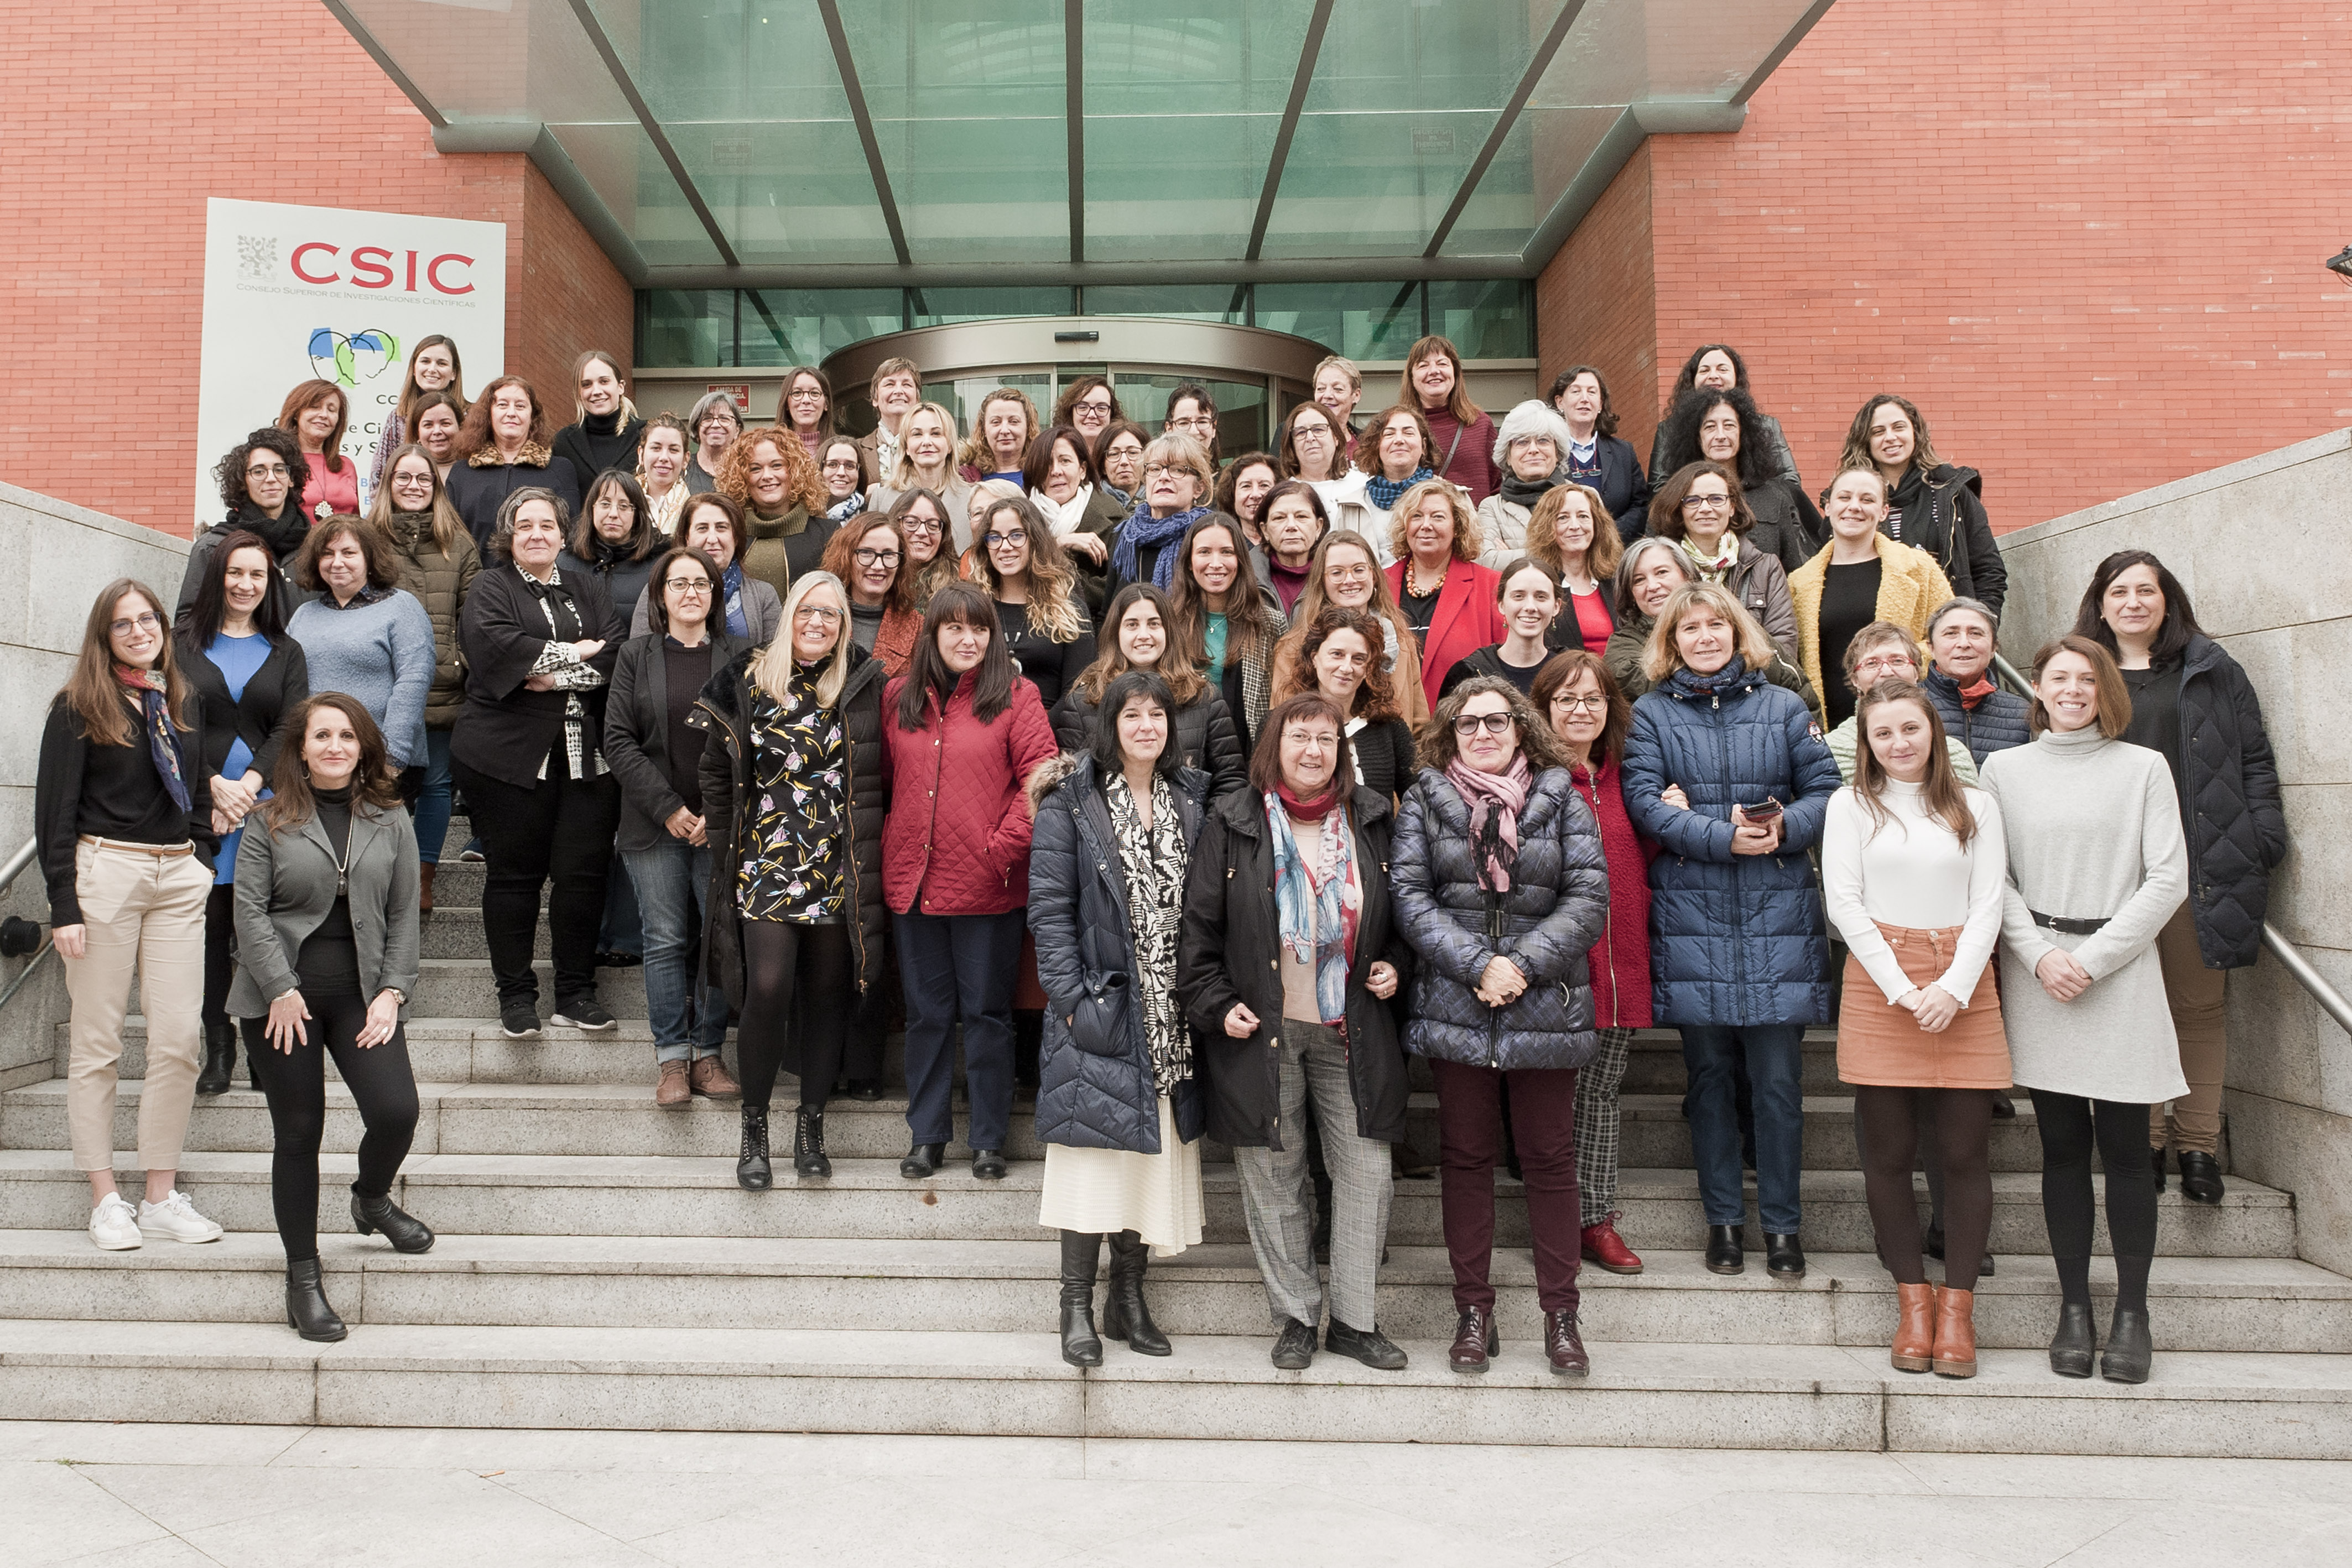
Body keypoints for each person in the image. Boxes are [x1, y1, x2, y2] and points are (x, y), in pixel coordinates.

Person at [1178, 694, 1412, 1371]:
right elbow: (1199, 933)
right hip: (1263, 1030)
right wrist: (1217, 1005)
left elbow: (1403, 920)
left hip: (1352, 1029)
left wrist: (1396, 966)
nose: (1313, 751)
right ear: (1273, 746)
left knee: (1367, 1175)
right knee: (1274, 1178)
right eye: (1299, 737)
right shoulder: (1234, 819)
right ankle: (1295, 1317)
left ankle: (1355, 1321)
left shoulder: (1371, 818)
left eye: (1326, 739)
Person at [1981, 635, 2190, 1384]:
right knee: (2063, 1148)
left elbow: (2168, 878)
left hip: (2121, 974)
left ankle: (2133, 1310)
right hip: (2041, 973)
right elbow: (1992, 876)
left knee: (2129, 1149)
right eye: (2059, 677)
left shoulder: (2143, 768)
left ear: (2106, 688)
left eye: (2086, 677)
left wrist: (2094, 958)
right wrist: (2039, 955)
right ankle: (2075, 1306)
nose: (2072, 689)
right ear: (2037, 687)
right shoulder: (2004, 768)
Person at [1622, 581, 1840, 1279]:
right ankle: (1724, 1221)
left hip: (1778, 913)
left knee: (1777, 1084)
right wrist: (1720, 837)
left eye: (1716, 624)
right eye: (1690, 629)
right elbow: (1642, 804)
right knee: (1709, 1077)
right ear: (1671, 641)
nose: (1706, 637)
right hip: (1694, 917)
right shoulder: (1651, 715)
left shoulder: (1784, 706)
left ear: (1737, 630)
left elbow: (1827, 792)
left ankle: (1782, 1226)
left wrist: (1780, 832)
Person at [1394, 676, 1608, 1375]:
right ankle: (1473, 1309)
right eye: (1467, 725)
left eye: (1496, 722)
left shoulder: (1561, 798)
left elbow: (1587, 896)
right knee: (1465, 1158)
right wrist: (1478, 966)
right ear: (1448, 735)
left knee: (1548, 1162)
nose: (1482, 734)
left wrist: (1518, 965)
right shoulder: (1426, 801)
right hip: (1458, 1005)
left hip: (1543, 1004)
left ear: (1522, 728)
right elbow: (1409, 896)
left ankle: (1561, 1316)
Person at [2073, 551, 2286, 1205]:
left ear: (2167, 601)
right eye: (2119, 591)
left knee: (2196, 1011)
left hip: (2200, 868)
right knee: (2130, 1011)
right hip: (2115, 876)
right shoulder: (2080, 673)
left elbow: (2252, 756)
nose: (2133, 601)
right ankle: (2145, 1142)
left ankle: (2197, 1148)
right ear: (2100, 603)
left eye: (2147, 590)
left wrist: (2261, 835)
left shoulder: (2211, 670)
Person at [230, 694, 430, 1341]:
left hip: (360, 993)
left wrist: (392, 991)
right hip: (279, 999)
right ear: (303, 747)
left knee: (397, 1111)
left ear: (363, 747)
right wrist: (281, 988)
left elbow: (404, 913)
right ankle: (304, 1278)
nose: (336, 746)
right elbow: (250, 912)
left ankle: (370, 1200)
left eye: (347, 736)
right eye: (323, 736)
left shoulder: (392, 818)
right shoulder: (268, 819)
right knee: (299, 1133)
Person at [1824, 680, 2010, 1378]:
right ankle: (1913, 1305)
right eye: (1882, 734)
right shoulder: (1851, 805)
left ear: (1933, 732)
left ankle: (1958, 1312)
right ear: (1866, 744)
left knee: (1963, 1154)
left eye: (1910, 729)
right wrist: (1903, 990)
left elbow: (1989, 902)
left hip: (1964, 979)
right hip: (1881, 984)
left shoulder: (1977, 806)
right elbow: (1843, 901)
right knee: (1889, 1154)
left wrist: (1955, 987)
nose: (1898, 743)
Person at [1029, 671, 1212, 1364]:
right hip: (1102, 1003)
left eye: (1156, 715)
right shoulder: (1070, 803)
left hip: (1170, 1010)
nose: (1145, 726)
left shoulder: (1190, 800)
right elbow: (1048, 912)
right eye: (1130, 715)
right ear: (1109, 725)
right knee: (1091, 1166)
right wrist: (1072, 1003)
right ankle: (1074, 1305)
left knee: (1145, 1158)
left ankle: (1127, 1297)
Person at [38, 580, 222, 1252]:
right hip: (105, 874)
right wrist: (64, 905)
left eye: (148, 618)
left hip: (176, 875)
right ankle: (106, 1198)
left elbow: (199, 787)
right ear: (104, 636)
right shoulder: (78, 706)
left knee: (178, 1041)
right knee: (98, 1044)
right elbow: (54, 811)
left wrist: (201, 853)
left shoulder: (179, 700)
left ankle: (160, 1195)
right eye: (124, 624)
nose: (141, 630)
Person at [697, 572, 888, 1186]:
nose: (818, 624)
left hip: (837, 862)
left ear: (842, 624)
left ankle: (811, 1124)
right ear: (790, 616)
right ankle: (754, 1127)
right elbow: (715, 774)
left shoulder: (861, 682)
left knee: (827, 996)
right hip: (767, 861)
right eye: (808, 611)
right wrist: (726, 846)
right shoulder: (749, 680)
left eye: (831, 615)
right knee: (771, 986)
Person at [881, 585, 1058, 1180]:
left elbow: (1043, 782)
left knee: (985, 1014)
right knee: (928, 1016)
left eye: (978, 628)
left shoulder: (1016, 695)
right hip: (914, 883)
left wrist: (998, 850)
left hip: (988, 886)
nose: (967, 639)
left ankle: (988, 1140)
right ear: (931, 635)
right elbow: (881, 782)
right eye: (953, 628)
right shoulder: (898, 698)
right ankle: (926, 1136)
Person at [451, 488, 626, 1038]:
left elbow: (619, 653)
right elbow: (498, 648)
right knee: (514, 879)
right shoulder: (490, 587)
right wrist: (581, 652)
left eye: (546, 525)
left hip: (585, 760)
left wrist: (554, 674)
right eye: (524, 526)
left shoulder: (587, 587)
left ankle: (575, 993)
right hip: (506, 759)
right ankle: (516, 997)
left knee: (582, 879)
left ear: (562, 533)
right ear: (509, 535)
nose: (536, 535)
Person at [600, 546, 745, 1107]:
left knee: (715, 941)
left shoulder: (739, 656)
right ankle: (672, 1062)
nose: (690, 592)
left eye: (701, 583)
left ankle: (709, 1054)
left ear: (715, 595)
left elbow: (749, 743)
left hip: (718, 824)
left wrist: (717, 811)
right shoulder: (635, 656)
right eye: (678, 583)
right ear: (660, 595)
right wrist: (668, 808)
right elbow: (617, 739)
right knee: (664, 941)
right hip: (652, 823)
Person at [1533, 649, 1652, 1275]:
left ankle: (1596, 1219)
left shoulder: (1631, 776)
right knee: (1550, 1100)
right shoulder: (1532, 780)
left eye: (1593, 699)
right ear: (1544, 710)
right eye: (1566, 700)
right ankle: (1552, 1215)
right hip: (1555, 971)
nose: (1581, 710)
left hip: (1621, 963)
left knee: (1601, 1094)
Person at [178, 534, 309, 1096]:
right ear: (217, 576)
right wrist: (214, 789)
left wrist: (249, 785)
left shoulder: (286, 650)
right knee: (210, 933)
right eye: (236, 573)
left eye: (257, 575)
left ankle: (262, 1046)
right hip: (200, 812)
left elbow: (290, 727)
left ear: (270, 583)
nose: (246, 585)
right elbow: (173, 722)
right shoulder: (182, 643)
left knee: (260, 930)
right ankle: (218, 1045)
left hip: (264, 811)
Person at [372, 445, 480, 914]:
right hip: (380, 686)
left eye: (423, 479)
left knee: (437, 784)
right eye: (403, 477)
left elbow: (472, 614)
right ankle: (381, 876)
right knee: (381, 782)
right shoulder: (367, 538)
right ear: (388, 483)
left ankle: (422, 878)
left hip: (441, 684)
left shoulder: (457, 542)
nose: (414, 486)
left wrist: (460, 660)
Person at [1789, 468, 1955, 728]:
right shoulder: (1799, 582)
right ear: (1828, 507)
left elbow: (1947, 638)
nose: (1855, 507)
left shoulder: (1919, 568)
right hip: (1829, 726)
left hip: (1905, 720)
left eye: (1867, 500)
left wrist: (1898, 664)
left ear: (1883, 512)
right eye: (1845, 498)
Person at [1051, 583, 1243, 791]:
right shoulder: (1084, 700)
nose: (1144, 634)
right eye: (1132, 625)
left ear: (1168, 630)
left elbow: (1230, 782)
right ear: (1115, 632)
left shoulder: (1204, 697)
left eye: (1154, 624)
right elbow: (1071, 786)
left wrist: (1204, 824)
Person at [285, 517, 435, 783]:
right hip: (320, 762)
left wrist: (391, 758)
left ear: (369, 558)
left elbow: (414, 681)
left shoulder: (402, 608)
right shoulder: (303, 615)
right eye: (327, 554)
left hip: (381, 763)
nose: (337, 562)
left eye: (349, 553)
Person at [1604, 535, 1818, 720]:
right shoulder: (1623, 647)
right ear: (1630, 593)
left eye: (1661, 572)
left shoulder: (1736, 624)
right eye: (1638, 580)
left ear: (1686, 575)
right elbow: (1654, 692)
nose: (1652, 586)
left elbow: (1798, 691)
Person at [1839, 394, 2006, 619]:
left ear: (1915, 431)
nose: (1890, 438)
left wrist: (1980, 625)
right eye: (1878, 432)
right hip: (1876, 636)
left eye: (1899, 427)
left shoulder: (1953, 491)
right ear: (1865, 441)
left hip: (1949, 632)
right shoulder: (1850, 501)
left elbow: (1988, 570)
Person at [1270, 528, 1432, 731]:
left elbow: (1420, 728)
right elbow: (1283, 728)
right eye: (1337, 573)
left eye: (1359, 570)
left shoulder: (1402, 642)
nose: (1350, 580)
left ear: (1374, 576)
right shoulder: (1293, 648)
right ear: (1322, 581)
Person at [1651, 387, 1822, 576]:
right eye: (1709, 427)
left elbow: (1793, 570)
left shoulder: (1774, 497)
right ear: (1697, 438)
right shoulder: (1671, 498)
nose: (1721, 435)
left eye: (1729, 426)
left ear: (1743, 433)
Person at [1271, 606, 1418, 802]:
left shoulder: (1391, 728)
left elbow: (1418, 801)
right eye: (1337, 654)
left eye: (1358, 659)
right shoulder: (1279, 723)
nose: (1347, 668)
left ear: (1368, 668)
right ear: (1315, 657)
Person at [1649, 460, 1798, 653]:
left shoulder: (1766, 568)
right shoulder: (1662, 570)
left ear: (1732, 507)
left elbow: (1783, 644)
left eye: (1716, 499)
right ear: (1680, 509)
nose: (1705, 508)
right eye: (1693, 500)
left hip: (1752, 681)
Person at [1168, 512, 1285, 756]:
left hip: (1248, 755)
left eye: (1226, 552)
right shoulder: (1168, 621)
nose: (1216, 563)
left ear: (1241, 560)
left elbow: (1280, 702)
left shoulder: (1269, 623)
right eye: (1204, 552)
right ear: (1189, 562)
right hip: (1181, 752)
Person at [1385, 478, 1505, 707]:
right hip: (1390, 725)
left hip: (1461, 726)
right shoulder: (1378, 583)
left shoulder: (1491, 587)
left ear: (1457, 526)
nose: (1426, 525)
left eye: (1438, 517)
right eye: (1416, 516)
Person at [975, 493, 1095, 713]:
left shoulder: (1069, 608)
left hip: (1051, 734)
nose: (1005, 546)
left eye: (1017, 535)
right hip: (986, 732)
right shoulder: (975, 607)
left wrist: (1036, 734)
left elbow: (1078, 691)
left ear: (1036, 540)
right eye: (994, 537)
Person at [183, 427, 311, 623]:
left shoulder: (316, 547)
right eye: (259, 471)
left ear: (291, 479)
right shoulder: (213, 547)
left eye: (279, 469)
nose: (271, 478)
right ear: (243, 482)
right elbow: (189, 623)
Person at [1825, 624, 1979, 785]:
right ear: (1855, 680)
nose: (1886, 672)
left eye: (1898, 661)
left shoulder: (1953, 754)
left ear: (1917, 673)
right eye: (1872, 664)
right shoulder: (1832, 750)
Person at [445, 375, 582, 548]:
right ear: (489, 414)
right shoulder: (462, 473)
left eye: (520, 406)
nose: (512, 413)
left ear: (532, 416)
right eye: (502, 405)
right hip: (475, 573)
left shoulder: (560, 470)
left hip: (539, 573)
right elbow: (449, 536)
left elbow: (571, 535)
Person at [1646, 343, 1802, 492]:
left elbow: (1789, 481)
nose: (1713, 376)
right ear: (1693, 380)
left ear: (1736, 378)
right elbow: (1659, 487)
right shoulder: (1669, 429)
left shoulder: (1766, 425)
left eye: (1722, 369)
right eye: (1704, 370)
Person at [633, 492, 784, 646]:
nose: (712, 539)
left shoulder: (764, 595)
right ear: (687, 537)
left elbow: (774, 659)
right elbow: (639, 654)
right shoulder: (659, 590)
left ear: (736, 537)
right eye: (702, 528)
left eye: (721, 528)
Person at [716, 424, 835, 608]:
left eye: (777, 465)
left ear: (795, 470)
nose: (767, 476)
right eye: (755, 469)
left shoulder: (829, 534)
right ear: (741, 477)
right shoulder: (728, 536)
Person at [1024, 423, 1123, 615]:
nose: (1056, 471)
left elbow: (1114, 590)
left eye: (1065, 461)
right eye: (1047, 463)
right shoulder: (1019, 518)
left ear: (1083, 470)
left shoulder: (1115, 520)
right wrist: (1059, 544)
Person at [1924, 597, 2033, 764]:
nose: (1964, 643)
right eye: (1951, 633)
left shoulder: (2022, 713)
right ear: (1931, 647)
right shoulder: (1910, 705)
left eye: (1975, 633)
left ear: (1993, 649)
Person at [1549, 364, 1650, 538]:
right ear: (1560, 402)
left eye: (1592, 392)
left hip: (1616, 550)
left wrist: (1608, 534)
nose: (1585, 399)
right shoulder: (1547, 451)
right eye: (1576, 392)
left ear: (1601, 404)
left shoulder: (1624, 452)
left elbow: (1640, 505)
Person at [1440, 556, 1560, 699]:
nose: (1530, 607)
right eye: (1519, 596)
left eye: (1541, 597)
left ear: (1556, 606)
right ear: (1501, 604)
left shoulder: (1571, 672)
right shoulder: (1468, 672)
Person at [558, 470, 665, 630]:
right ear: (592, 508)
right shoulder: (564, 564)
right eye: (605, 504)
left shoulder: (659, 565)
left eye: (624, 506)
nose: (613, 514)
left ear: (637, 514)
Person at [365, 335, 466, 502]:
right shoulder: (398, 418)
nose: (432, 369)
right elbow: (379, 480)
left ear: (454, 373)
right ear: (414, 368)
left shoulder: (471, 417)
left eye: (441, 363)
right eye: (425, 361)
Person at [1523, 483, 1622, 654]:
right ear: (1546, 527)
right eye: (1563, 518)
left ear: (1597, 524)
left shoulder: (1617, 581)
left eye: (1583, 516)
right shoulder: (1536, 584)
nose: (1575, 526)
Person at [1109, 433, 1215, 592]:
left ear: (1199, 488)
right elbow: (1109, 608)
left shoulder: (1208, 535)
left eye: (1179, 470)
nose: (1163, 477)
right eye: (1155, 469)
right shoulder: (1126, 536)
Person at [1325, 404, 1434, 554]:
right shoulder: (1351, 506)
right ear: (1377, 446)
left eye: (1408, 433)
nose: (1399, 440)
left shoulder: (1452, 498)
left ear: (1424, 446)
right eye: (1389, 434)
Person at [1402, 335, 1498, 503]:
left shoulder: (1481, 425)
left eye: (1442, 364)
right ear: (1411, 377)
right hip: (1422, 525)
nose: (1434, 371)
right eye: (1423, 365)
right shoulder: (1398, 429)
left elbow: (1498, 485)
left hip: (1474, 526)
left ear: (1455, 372)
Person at [821, 512, 922, 673]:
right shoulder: (819, 618)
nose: (878, 565)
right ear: (847, 557)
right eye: (867, 553)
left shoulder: (917, 627)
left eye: (889, 555)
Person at [868, 402, 975, 551]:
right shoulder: (882, 498)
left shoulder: (972, 499)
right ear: (906, 447)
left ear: (950, 445)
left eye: (936, 434)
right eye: (917, 434)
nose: (926, 442)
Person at [1473, 400, 1567, 564]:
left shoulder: (1584, 497)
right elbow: (1487, 561)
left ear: (1557, 452)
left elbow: (1598, 555)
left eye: (1543, 440)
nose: (1533, 449)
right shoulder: (1491, 507)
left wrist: (1513, 556)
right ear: (1508, 456)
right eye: (1522, 442)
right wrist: (1563, 550)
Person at [550, 351, 646, 495]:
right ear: (579, 393)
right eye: (587, 385)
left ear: (621, 387)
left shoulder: (646, 436)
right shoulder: (563, 443)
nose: (596, 391)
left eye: (604, 382)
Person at [279, 380, 358, 518]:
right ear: (297, 413)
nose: (324, 415)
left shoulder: (347, 466)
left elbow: (357, 521)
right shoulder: (277, 463)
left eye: (332, 410)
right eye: (315, 407)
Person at [1258, 480, 1328, 614]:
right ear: (1265, 530)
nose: (1291, 526)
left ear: (1318, 527)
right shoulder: (1246, 577)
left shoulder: (1337, 577)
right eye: (1279, 518)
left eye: (1301, 516)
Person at [887, 487, 960, 611]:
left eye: (932, 525)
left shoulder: (959, 587)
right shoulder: (879, 576)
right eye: (911, 523)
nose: (922, 532)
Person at [854, 357, 923, 484]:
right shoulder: (855, 450)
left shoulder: (932, 447)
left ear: (917, 400)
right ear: (875, 399)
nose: (898, 391)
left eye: (906, 385)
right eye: (890, 384)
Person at [960, 387, 1040, 485]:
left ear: (1028, 427)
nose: (1005, 430)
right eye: (996, 422)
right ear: (983, 429)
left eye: (1014, 421)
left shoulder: (1045, 474)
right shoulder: (962, 478)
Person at [1277, 400, 1353, 494]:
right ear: (1291, 444)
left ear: (1336, 437)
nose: (1310, 438)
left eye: (1318, 430)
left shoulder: (1360, 486)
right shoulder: (1282, 493)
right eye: (1301, 432)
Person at [777, 366, 846, 467]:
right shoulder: (773, 449)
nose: (806, 400)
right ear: (787, 403)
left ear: (826, 404)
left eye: (814, 393)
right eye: (797, 393)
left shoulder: (842, 449)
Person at [1214, 452, 1282, 548]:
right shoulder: (1221, 545)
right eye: (1246, 486)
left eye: (1264, 486)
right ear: (1232, 494)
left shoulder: (1290, 542)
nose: (1255, 495)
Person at [686, 390, 742, 494]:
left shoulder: (746, 470)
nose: (716, 424)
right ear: (696, 429)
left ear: (737, 431)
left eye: (724, 418)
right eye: (707, 418)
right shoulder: (682, 469)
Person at [1052, 374, 1122, 452]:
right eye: (1083, 407)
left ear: (1112, 414)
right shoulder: (1052, 455)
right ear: (1071, 413)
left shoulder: (1124, 459)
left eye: (1101, 408)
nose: (1092, 415)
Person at [407, 390, 466, 483]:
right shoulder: (404, 472)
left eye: (446, 423)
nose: (437, 431)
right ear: (417, 432)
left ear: (460, 427)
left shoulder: (477, 471)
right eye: (428, 425)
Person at [1095, 420, 1148, 510]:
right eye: (1114, 454)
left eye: (1133, 452)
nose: (1124, 462)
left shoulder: (1162, 504)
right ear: (1103, 466)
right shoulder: (1090, 507)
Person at [1163, 384, 1220, 466]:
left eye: (1202, 422)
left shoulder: (1229, 478)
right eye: (1184, 423)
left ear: (1214, 428)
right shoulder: (1157, 477)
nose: (1194, 432)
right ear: (1169, 429)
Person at [816, 436, 868, 525]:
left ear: (859, 472)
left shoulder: (869, 517)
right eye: (832, 465)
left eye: (850, 466)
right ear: (820, 469)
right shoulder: (801, 515)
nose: (841, 473)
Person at [1313, 355, 1364, 435]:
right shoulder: (1292, 436)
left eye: (1338, 389)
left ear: (1356, 396)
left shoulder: (1367, 443)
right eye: (1321, 388)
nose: (1327, 395)